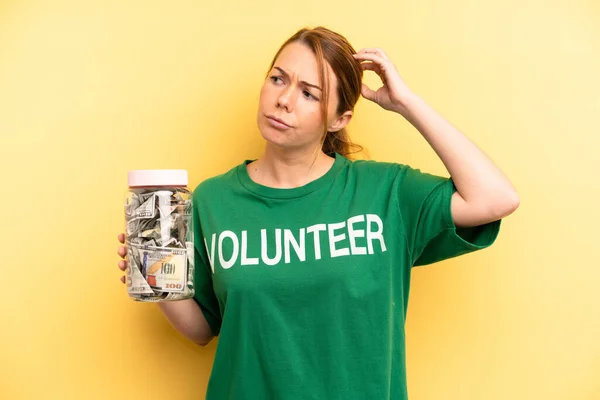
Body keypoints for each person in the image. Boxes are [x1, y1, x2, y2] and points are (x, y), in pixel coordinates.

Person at [117, 26, 519, 399]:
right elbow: (202, 329)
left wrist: (407, 104)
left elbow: (495, 198)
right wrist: (155, 277)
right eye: (278, 78)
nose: (284, 100)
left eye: (310, 93)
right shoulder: (212, 199)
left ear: (340, 119)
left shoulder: (386, 193)